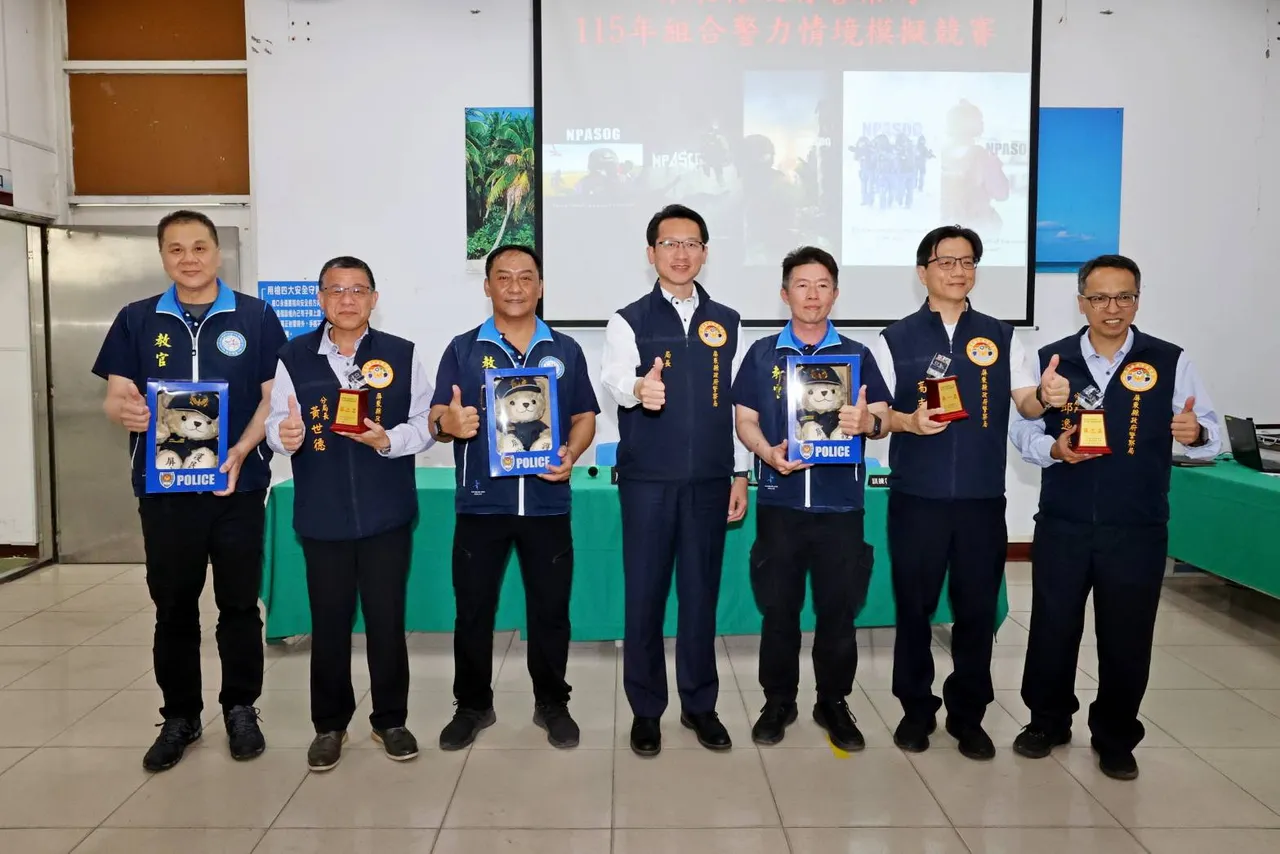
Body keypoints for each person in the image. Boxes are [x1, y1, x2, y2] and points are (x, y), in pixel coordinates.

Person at [1008, 254, 1219, 780]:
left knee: (1127, 634)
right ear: (1081, 301)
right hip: (1064, 520)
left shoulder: (1169, 360)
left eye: (1124, 296)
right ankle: (1047, 721)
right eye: (1100, 297)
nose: (1112, 308)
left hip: (1138, 524)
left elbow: (1206, 432)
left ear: (1137, 300)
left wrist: (1196, 435)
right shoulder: (1052, 359)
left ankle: (1116, 734)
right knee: (1053, 627)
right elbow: (1020, 429)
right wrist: (1053, 449)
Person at [92, 210, 285, 772]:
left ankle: (240, 707)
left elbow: (272, 398)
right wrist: (123, 410)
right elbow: (117, 398)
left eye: (199, 247)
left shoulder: (255, 316)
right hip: (165, 491)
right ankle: (180, 715)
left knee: (239, 606)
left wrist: (242, 450)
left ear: (217, 253)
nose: (189, 258)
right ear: (163, 256)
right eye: (175, 249)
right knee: (173, 606)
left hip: (238, 486)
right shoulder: (136, 320)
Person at [874, 224, 1070, 760]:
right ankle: (916, 711)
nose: (958, 271)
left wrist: (1049, 396)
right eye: (946, 261)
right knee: (914, 610)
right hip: (916, 499)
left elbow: (1028, 404)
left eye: (967, 262)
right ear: (923, 272)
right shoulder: (894, 339)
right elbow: (875, 415)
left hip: (983, 502)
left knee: (977, 611)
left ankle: (968, 715)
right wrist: (908, 422)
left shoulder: (1005, 336)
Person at [265, 256, 433, 772]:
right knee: (330, 625)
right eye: (335, 290)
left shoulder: (401, 355)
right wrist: (282, 436)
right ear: (320, 298)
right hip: (323, 515)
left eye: (358, 289)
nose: (347, 299)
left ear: (374, 299)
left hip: (386, 513)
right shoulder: (293, 356)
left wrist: (390, 440)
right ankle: (329, 725)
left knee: (386, 621)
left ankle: (390, 720)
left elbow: (427, 421)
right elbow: (276, 421)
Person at [430, 244, 599, 750]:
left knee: (550, 610)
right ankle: (473, 705)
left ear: (541, 286)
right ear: (487, 287)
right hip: (482, 504)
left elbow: (584, 416)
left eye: (526, 278)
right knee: (474, 610)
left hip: (547, 506)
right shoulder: (462, 349)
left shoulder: (565, 350)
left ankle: (552, 703)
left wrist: (570, 451)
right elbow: (439, 416)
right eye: (504, 278)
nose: (516, 287)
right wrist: (449, 424)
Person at [601, 204, 751, 757]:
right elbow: (614, 376)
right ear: (651, 254)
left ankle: (699, 705)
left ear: (705, 254)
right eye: (669, 244)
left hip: (711, 479)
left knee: (699, 595)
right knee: (644, 595)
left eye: (692, 244)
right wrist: (639, 388)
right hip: (648, 481)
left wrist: (740, 471)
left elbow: (740, 406)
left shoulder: (729, 321)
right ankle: (646, 709)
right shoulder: (628, 319)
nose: (681, 253)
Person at [731, 246, 893, 749]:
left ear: (836, 293)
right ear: (785, 293)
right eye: (802, 284)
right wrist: (768, 454)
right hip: (780, 502)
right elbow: (744, 421)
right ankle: (778, 700)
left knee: (837, 612)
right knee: (779, 610)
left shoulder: (858, 356)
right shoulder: (761, 354)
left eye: (823, 284)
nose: (813, 294)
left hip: (840, 507)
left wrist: (868, 422)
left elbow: (884, 420)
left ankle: (833, 702)